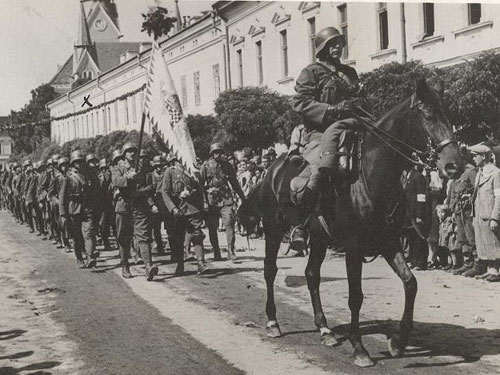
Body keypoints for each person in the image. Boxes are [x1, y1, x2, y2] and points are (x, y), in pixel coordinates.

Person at [289, 26, 364, 250]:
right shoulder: (311, 72)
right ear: (322, 48)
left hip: (352, 128)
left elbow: (360, 98)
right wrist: (331, 109)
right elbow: (300, 103)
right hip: (320, 132)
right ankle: (300, 225)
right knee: (318, 170)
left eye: (339, 43)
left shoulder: (350, 73)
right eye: (332, 44)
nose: (338, 47)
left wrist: (359, 103)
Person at [199, 142, 246, 261]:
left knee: (229, 223)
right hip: (211, 200)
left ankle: (231, 251)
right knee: (212, 227)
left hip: (225, 198)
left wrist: (243, 197)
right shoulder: (205, 166)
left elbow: (234, 183)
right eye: (215, 152)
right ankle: (216, 251)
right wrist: (204, 201)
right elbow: (200, 185)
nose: (218, 154)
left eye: (219, 152)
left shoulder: (227, 166)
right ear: (212, 153)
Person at [162, 154, 207, 275]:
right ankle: (180, 264)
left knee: (197, 234)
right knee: (178, 238)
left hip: (193, 208)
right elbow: (165, 192)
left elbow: (200, 188)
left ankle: (200, 263)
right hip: (178, 209)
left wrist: (194, 194)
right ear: (175, 160)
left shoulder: (192, 171)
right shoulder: (169, 172)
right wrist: (172, 208)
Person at [59, 150, 101, 268]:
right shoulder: (68, 177)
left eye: (81, 161)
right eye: (76, 162)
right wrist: (63, 214)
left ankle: (89, 256)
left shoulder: (89, 175)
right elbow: (62, 197)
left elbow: (95, 191)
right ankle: (79, 257)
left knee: (89, 233)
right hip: (74, 209)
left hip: (87, 208)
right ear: (72, 163)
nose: (79, 164)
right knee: (77, 236)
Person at [470, 143, 500, 282]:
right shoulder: (479, 174)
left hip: (489, 214)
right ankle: (489, 270)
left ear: (483, 157)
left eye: (475, 156)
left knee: (493, 243)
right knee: (483, 243)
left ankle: (495, 271)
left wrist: (495, 217)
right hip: (479, 214)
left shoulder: (495, 173)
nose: (474, 159)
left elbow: (499, 197)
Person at [402, 162, 430, 270]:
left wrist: (419, 214)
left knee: (420, 237)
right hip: (409, 213)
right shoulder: (407, 177)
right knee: (412, 237)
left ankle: (422, 262)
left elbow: (421, 197)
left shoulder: (418, 177)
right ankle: (413, 260)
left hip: (416, 212)